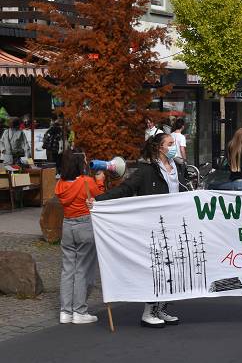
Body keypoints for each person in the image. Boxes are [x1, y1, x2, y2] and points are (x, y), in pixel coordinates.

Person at [90, 132, 186, 327]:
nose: (173, 146)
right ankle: (148, 311)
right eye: (170, 143)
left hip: (174, 224)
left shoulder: (178, 167)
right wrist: (99, 201)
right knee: (156, 268)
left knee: (171, 267)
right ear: (160, 148)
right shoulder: (146, 170)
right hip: (153, 225)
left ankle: (161, 308)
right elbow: (126, 188)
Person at [56, 149, 105, 325]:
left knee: (67, 269)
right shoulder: (86, 181)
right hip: (84, 224)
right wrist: (100, 182)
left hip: (67, 224)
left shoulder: (60, 184)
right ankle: (79, 310)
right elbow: (100, 198)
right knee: (83, 269)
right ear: (79, 163)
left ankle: (65, 311)